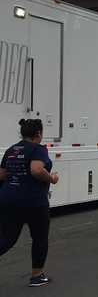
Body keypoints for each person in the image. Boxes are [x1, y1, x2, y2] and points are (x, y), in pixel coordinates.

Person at [0, 119, 59, 287]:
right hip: (33, 202)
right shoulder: (38, 149)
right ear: (38, 134)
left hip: (7, 199)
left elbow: (2, 175)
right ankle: (37, 275)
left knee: (7, 238)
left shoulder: (11, 149)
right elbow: (36, 170)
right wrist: (52, 178)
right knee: (39, 237)